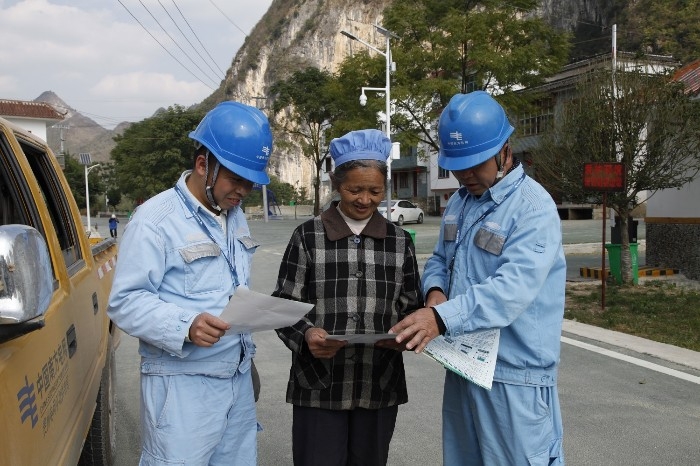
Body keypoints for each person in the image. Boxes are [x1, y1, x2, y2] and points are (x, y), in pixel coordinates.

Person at [390, 91, 566, 465]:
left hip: (514, 377)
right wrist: (435, 291)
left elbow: (511, 290)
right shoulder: (460, 203)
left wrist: (440, 318)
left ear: (505, 150)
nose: (466, 175)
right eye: (458, 166)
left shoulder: (533, 209)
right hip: (465, 365)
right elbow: (441, 258)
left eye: (475, 164)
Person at [107, 101, 272, 465]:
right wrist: (187, 324)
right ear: (203, 165)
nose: (243, 190)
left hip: (236, 378)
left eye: (250, 182)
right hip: (181, 387)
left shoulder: (233, 215)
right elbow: (125, 301)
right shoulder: (155, 220)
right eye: (236, 178)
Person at [273, 129, 424, 466]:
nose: (364, 200)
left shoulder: (399, 241)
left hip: (378, 385)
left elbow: (412, 306)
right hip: (318, 386)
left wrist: (403, 336)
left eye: (375, 191)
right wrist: (307, 335)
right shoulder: (308, 236)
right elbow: (284, 304)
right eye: (354, 189)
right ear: (334, 183)